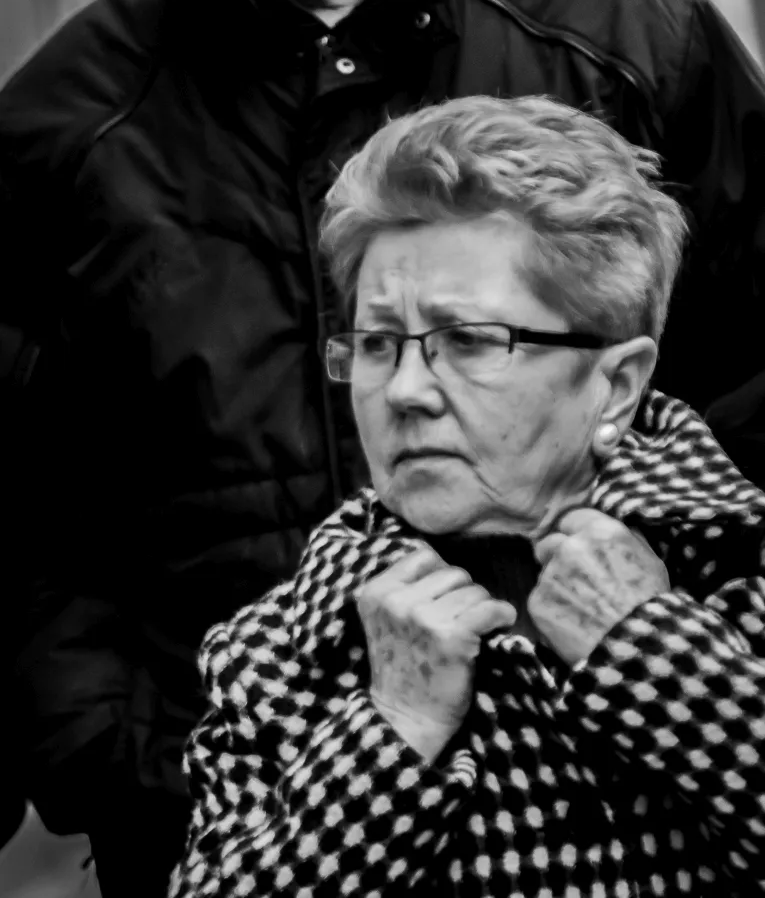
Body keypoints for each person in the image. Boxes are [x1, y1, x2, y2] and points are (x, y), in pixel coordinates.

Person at [2, 0, 765, 893]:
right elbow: (23, 496)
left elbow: (752, 364)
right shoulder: (68, 123)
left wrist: (666, 640)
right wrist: (127, 762)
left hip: (619, 764)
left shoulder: (615, 27)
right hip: (227, 788)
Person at [169, 94, 765, 897]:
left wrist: (657, 656)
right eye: (378, 344)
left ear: (616, 382)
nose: (404, 389)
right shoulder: (281, 650)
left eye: (469, 340)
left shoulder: (739, 574)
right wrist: (391, 733)